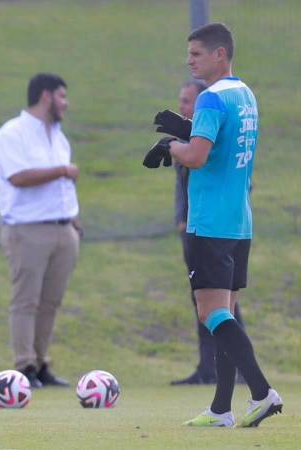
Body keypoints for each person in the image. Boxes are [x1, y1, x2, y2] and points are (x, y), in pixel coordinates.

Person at [148, 22, 282, 427]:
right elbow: (218, 145)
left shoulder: (209, 99)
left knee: (212, 315)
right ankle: (222, 408)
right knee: (225, 313)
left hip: (208, 223)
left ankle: (262, 393)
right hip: (239, 222)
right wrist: (185, 131)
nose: (190, 61)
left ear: (220, 54)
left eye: (197, 54)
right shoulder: (244, 95)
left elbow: (198, 157)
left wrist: (171, 146)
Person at [0, 73, 82, 388]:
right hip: (27, 230)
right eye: (62, 96)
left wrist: (73, 220)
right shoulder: (12, 133)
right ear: (46, 96)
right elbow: (18, 177)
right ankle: (24, 366)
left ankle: (41, 363)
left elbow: (62, 188)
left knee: (51, 302)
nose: (66, 104)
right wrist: (62, 171)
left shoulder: (58, 135)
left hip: (63, 228)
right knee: (26, 300)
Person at [169, 79, 246, 386]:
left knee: (221, 305)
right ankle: (209, 368)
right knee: (205, 304)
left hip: (215, 229)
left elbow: (234, 179)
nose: (182, 107)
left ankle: (238, 368)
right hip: (194, 228)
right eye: (181, 100)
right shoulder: (189, 139)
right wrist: (181, 218)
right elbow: (183, 185)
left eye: (188, 101)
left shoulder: (211, 142)